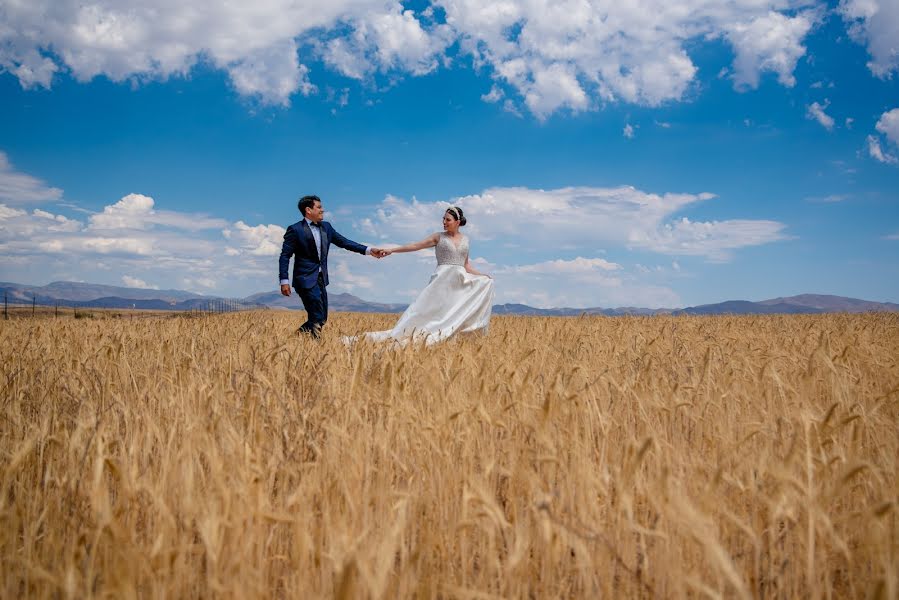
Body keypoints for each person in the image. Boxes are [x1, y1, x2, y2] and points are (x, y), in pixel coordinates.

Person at [347, 206, 494, 346]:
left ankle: (450, 338)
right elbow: (416, 245)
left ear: (458, 222)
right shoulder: (438, 237)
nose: (444, 222)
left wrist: (483, 276)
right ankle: (419, 335)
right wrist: (392, 250)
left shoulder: (466, 240)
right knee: (429, 311)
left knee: (452, 312)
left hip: (459, 282)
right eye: (443, 219)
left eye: (447, 219)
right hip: (442, 280)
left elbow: (466, 265)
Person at [279, 195, 385, 337]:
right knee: (316, 315)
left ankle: (295, 338)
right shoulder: (295, 229)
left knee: (322, 317)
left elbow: (344, 242)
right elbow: (285, 256)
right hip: (304, 279)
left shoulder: (326, 227)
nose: (323, 210)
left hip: (321, 278)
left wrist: (369, 250)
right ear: (308, 210)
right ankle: (315, 347)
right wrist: (284, 281)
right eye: (319, 207)